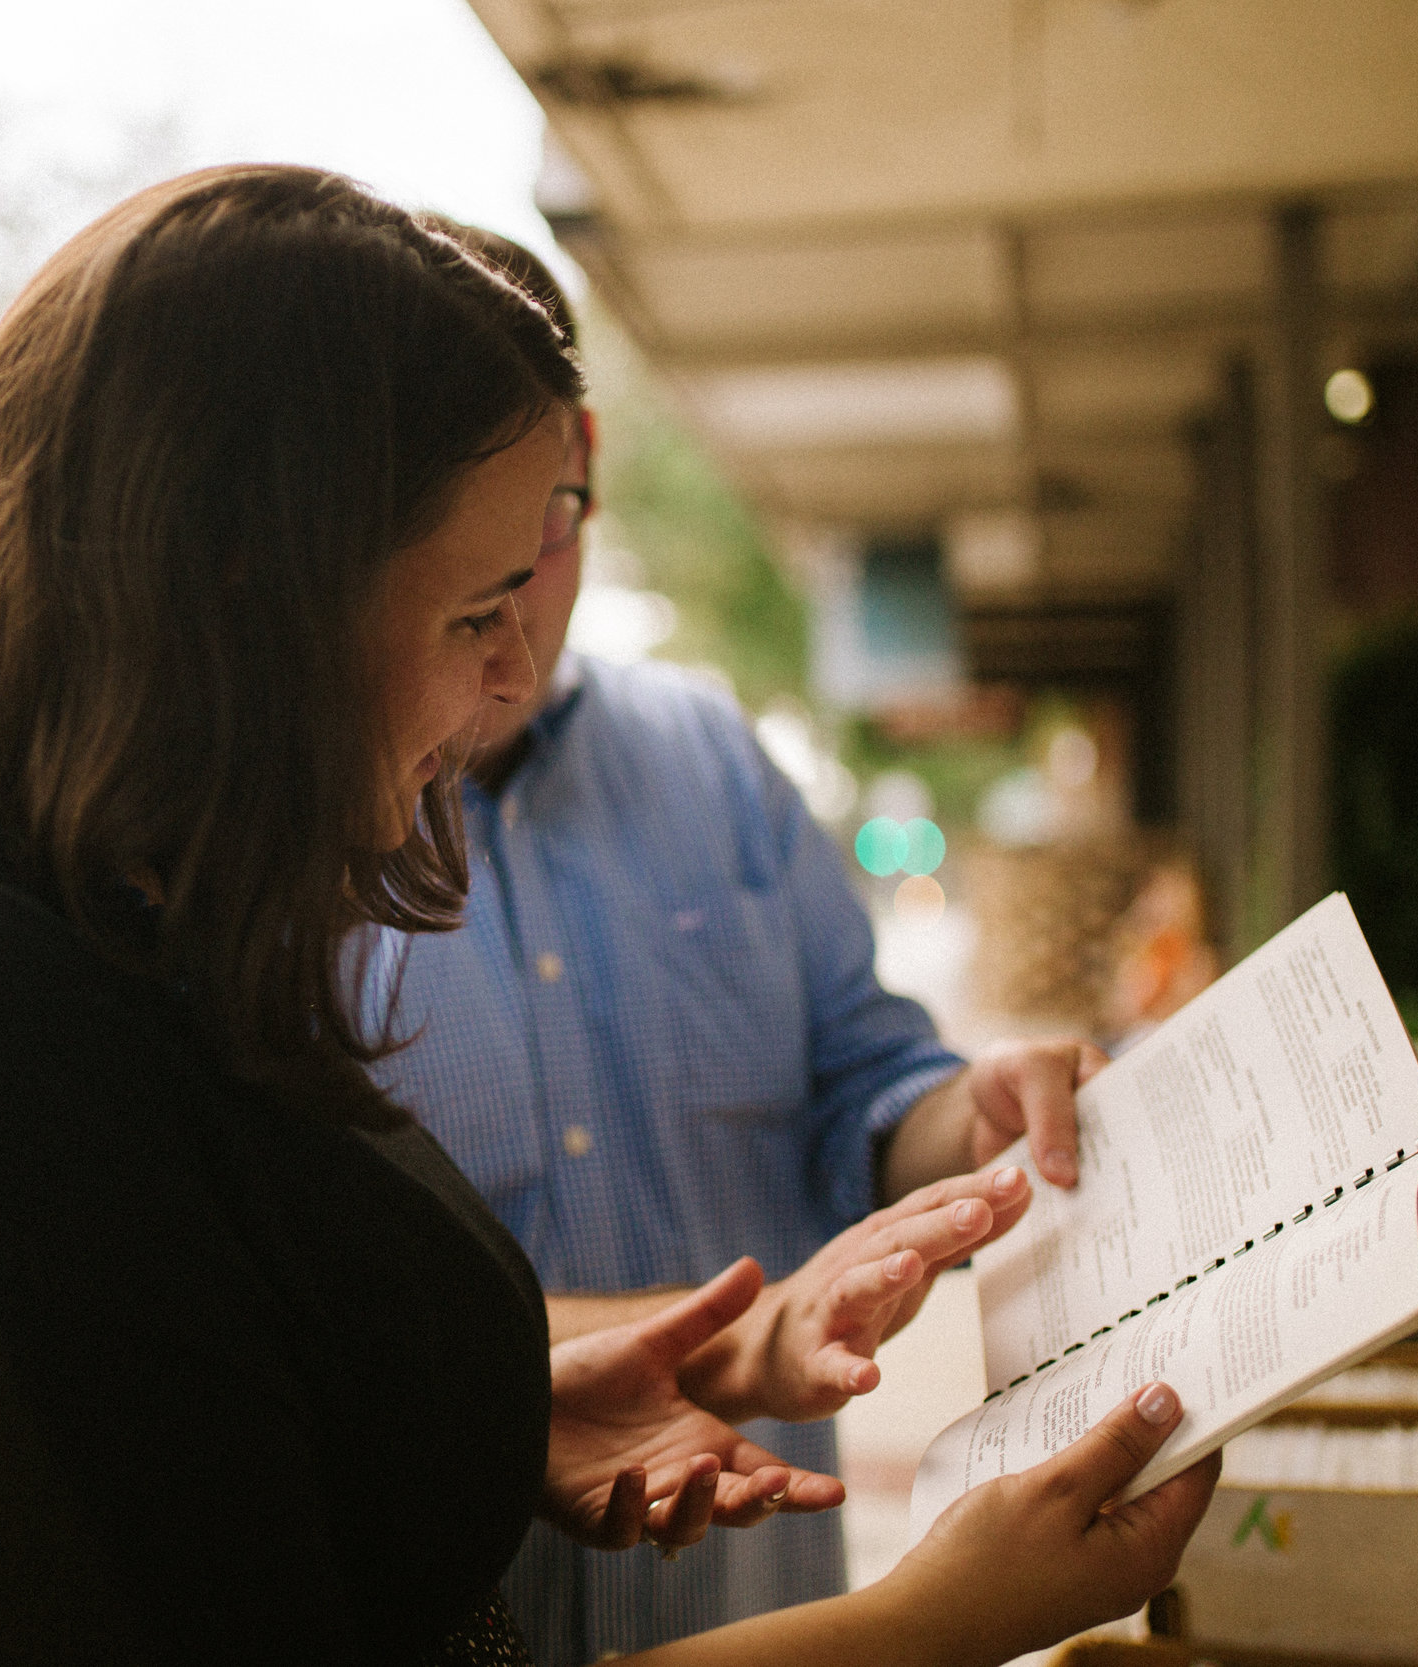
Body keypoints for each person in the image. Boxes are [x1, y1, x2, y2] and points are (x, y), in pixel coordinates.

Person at [0, 165, 1214, 1665]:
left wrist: (499, 1417)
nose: (517, 671)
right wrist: (930, 1620)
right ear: (248, 596)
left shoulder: (109, 933)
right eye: (474, 610)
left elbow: (169, 1415)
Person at [370, 225, 1109, 1660]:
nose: (512, 630)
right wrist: (743, 1336)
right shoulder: (264, 851)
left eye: (549, 536)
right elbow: (314, 1293)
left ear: (581, 454)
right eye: (463, 581)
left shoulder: (711, 757)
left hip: (752, 1600)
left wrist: (971, 1117)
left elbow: (863, 1079)